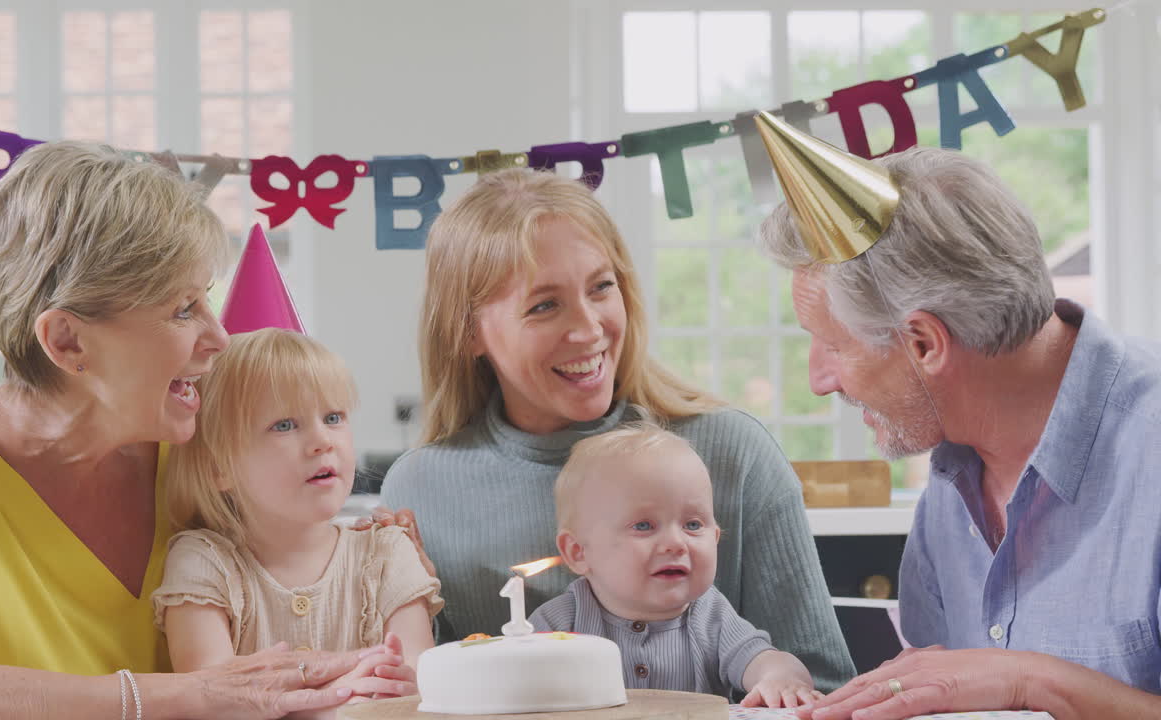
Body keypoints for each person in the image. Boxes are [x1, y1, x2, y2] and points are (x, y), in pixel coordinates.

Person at [0, 141, 410, 719]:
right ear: (68, 341)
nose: (217, 338)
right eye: (184, 309)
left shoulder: (188, 448)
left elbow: (296, 569)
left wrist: (375, 548)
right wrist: (191, 695)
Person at [378, 167, 855, 692]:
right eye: (544, 305)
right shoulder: (419, 489)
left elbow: (825, 689)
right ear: (468, 332)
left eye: (601, 287)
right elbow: (421, 691)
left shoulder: (731, 453)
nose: (588, 329)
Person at [753, 134, 1161, 719]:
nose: (820, 380)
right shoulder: (952, 476)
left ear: (924, 343)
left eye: (833, 345)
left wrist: (1030, 681)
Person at [154, 328, 441, 681]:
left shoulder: (388, 552)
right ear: (219, 468)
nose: (322, 441)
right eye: (285, 425)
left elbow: (416, 678)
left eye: (333, 418)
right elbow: (210, 696)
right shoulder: (203, 562)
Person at [529, 419, 823, 708]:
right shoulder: (559, 625)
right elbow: (512, 680)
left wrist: (780, 677)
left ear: (716, 537)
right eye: (643, 526)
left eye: (693, 525)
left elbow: (761, 658)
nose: (676, 543)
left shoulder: (710, 617)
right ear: (579, 552)